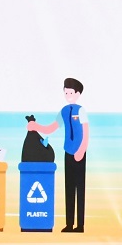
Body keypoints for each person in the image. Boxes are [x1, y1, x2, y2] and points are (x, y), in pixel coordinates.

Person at [28, 77, 89, 232]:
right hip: (68, 151)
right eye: (66, 92)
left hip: (79, 153)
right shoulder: (63, 111)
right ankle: (69, 224)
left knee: (80, 188)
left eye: (71, 92)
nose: (68, 95)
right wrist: (35, 126)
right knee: (69, 188)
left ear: (77, 93)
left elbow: (86, 132)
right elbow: (51, 128)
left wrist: (82, 150)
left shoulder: (81, 110)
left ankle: (80, 225)